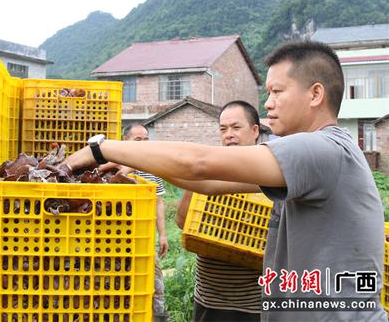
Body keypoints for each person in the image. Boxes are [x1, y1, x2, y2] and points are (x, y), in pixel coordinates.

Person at [65, 41, 385, 321]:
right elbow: (208, 183)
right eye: (267, 93)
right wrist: (129, 159)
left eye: (277, 92)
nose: (268, 104)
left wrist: (99, 148)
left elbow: (199, 163)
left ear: (316, 94)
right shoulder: (318, 158)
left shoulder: (321, 149)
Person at [176, 100, 263, 321]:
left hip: (255, 303)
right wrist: (193, 181)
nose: (228, 134)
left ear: (254, 131)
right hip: (209, 298)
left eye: (236, 127)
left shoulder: (269, 173)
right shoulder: (211, 171)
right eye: (223, 129)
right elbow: (182, 221)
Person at [99, 124, 169, 321]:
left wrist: (162, 235)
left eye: (146, 140)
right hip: (114, 240)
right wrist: (126, 165)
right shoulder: (112, 164)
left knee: (154, 284)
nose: (143, 144)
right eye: (137, 140)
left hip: (143, 237)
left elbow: (158, 201)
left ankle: (156, 316)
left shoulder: (151, 167)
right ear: (125, 141)